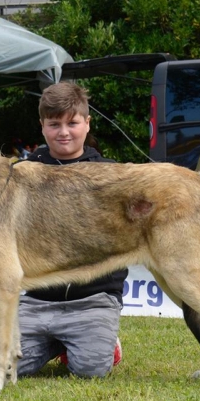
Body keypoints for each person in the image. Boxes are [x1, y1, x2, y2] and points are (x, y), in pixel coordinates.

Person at [17, 82, 128, 378]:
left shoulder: (113, 174)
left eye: (72, 123)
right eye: (54, 124)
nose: (64, 132)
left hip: (93, 300)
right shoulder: (21, 173)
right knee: (9, 367)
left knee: (90, 371)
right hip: (37, 299)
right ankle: (55, 341)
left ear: (87, 124)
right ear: (42, 126)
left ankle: (97, 341)